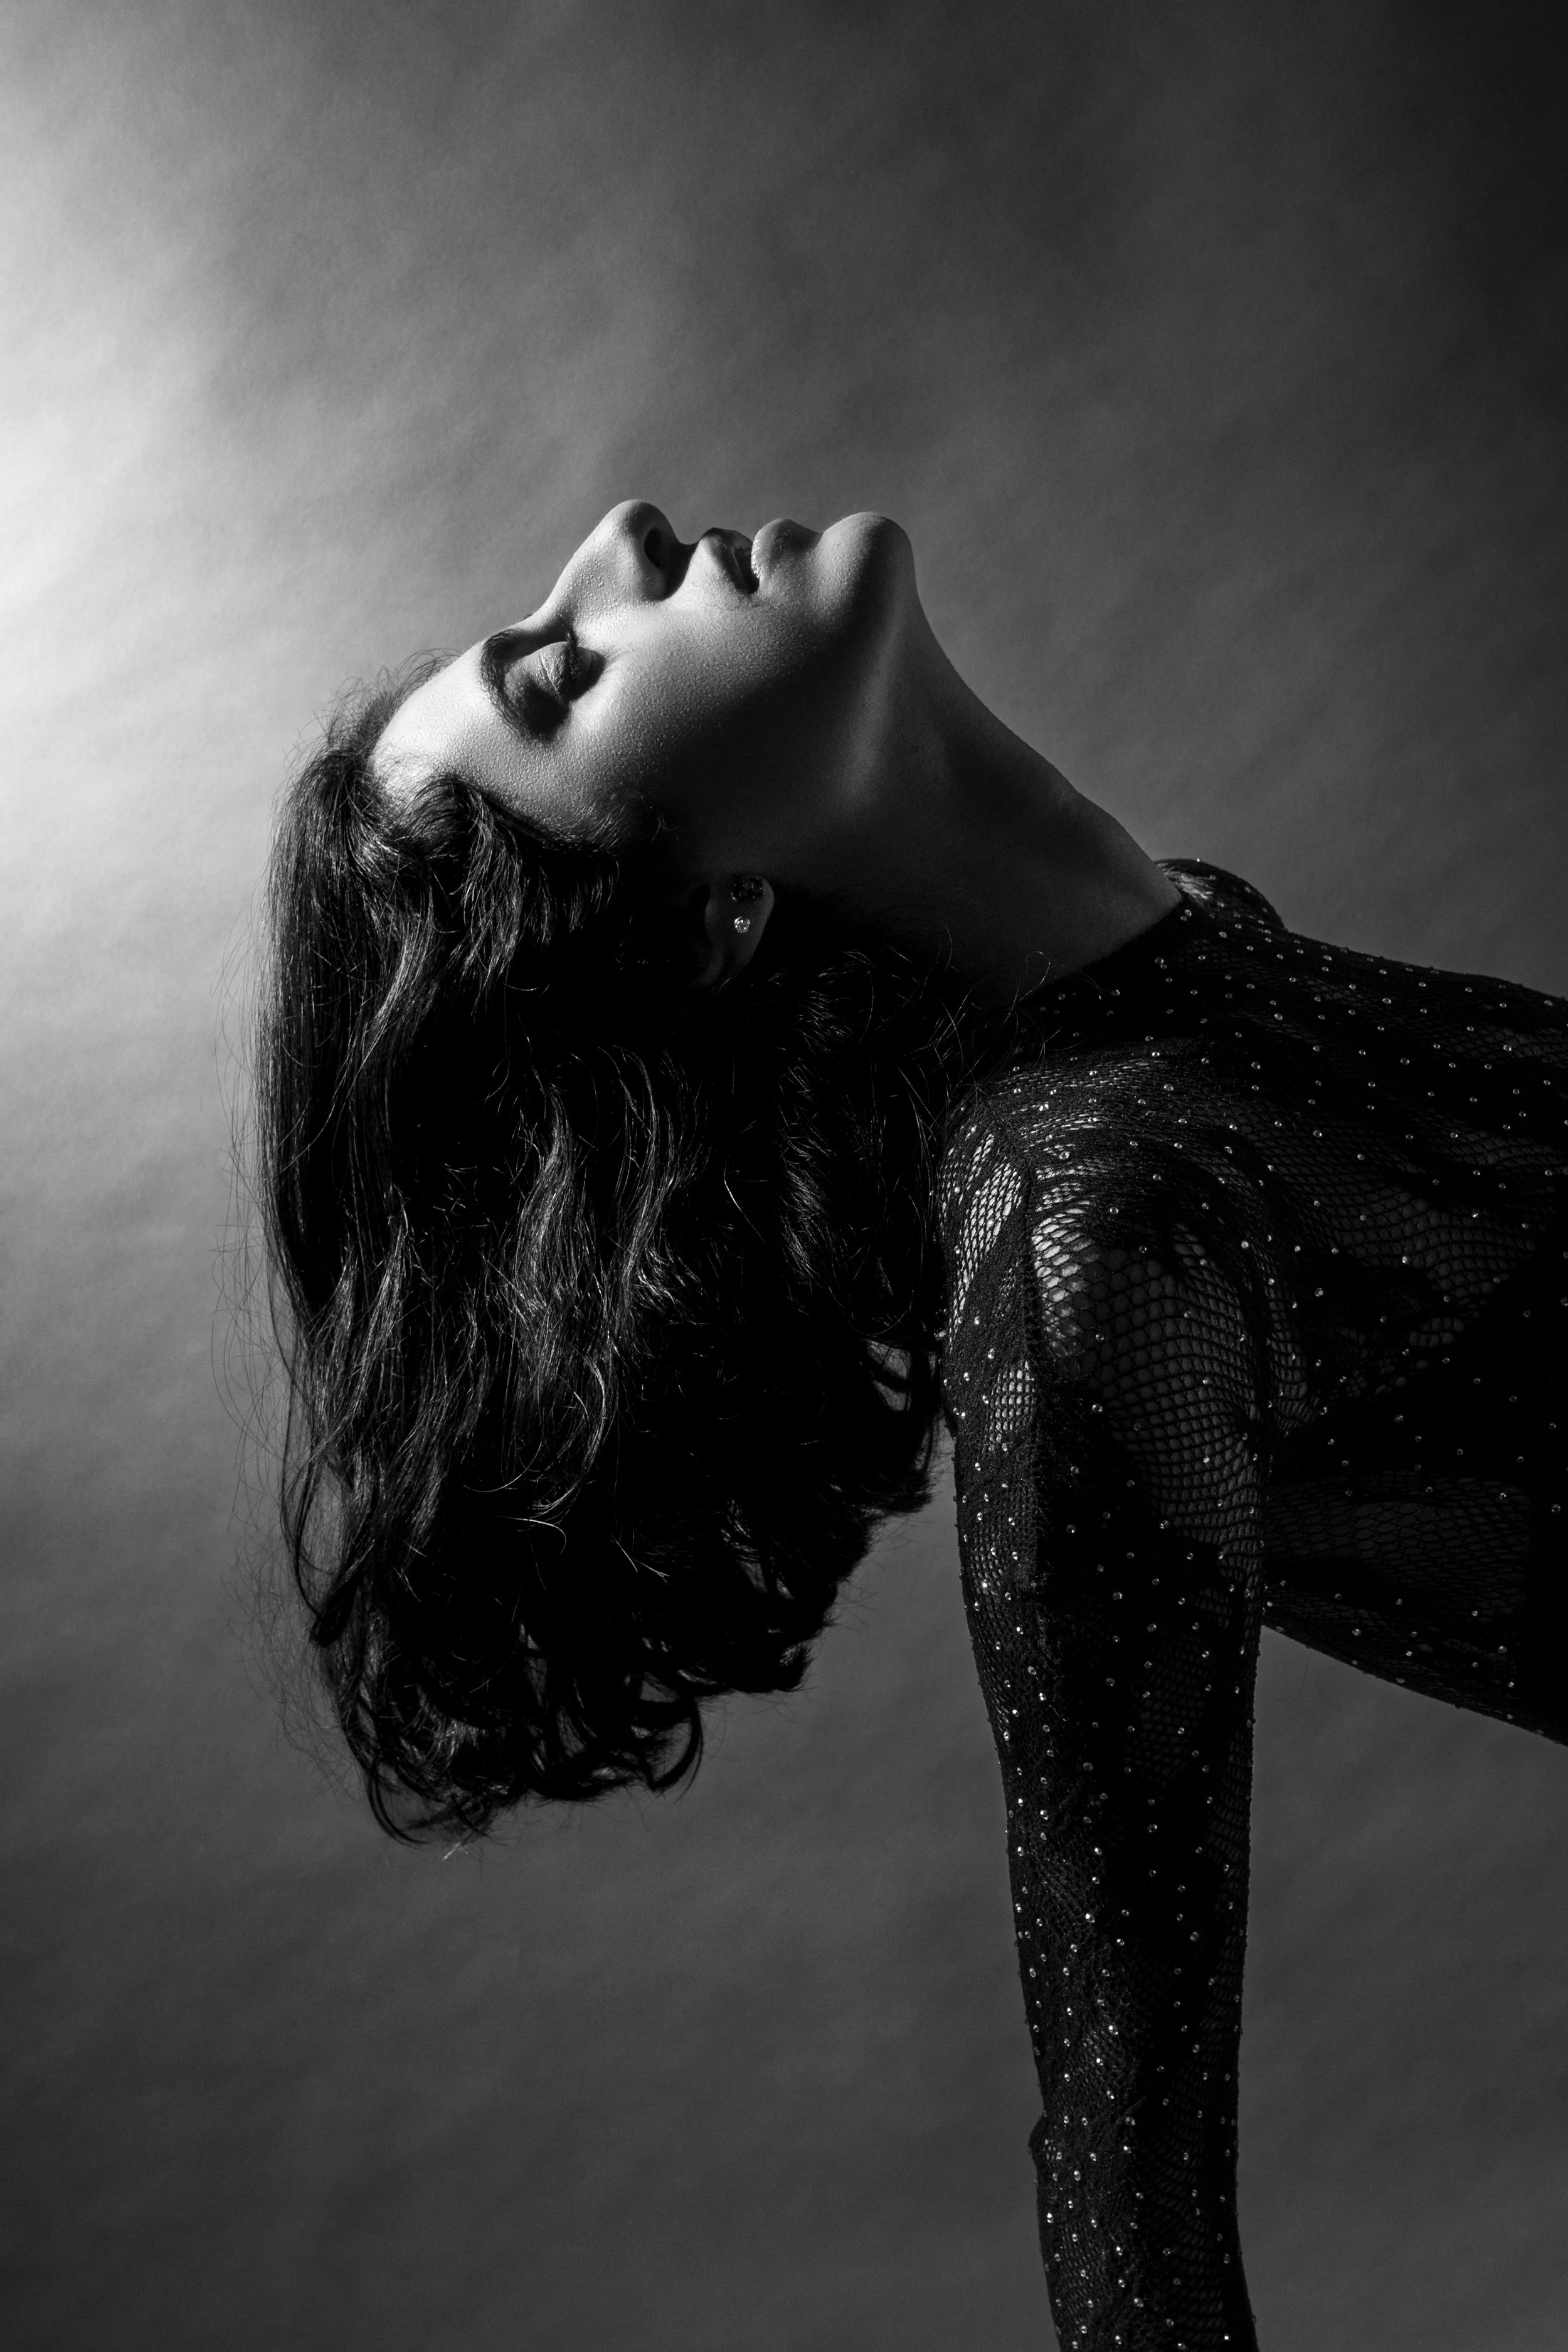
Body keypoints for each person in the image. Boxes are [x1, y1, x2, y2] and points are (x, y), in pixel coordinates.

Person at [258, 499, 1568, 2351]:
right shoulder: (1088, 1238)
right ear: (706, 924)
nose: (616, 537)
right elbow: (1131, 2161)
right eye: (561, 672)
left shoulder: (1176, 962)